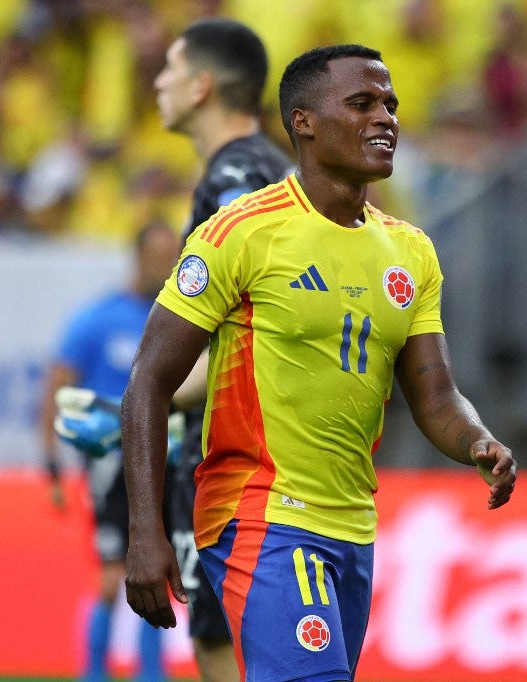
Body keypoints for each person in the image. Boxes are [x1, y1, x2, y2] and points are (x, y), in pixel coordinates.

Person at [120, 44, 518, 681]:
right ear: (302, 122)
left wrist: (478, 440)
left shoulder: (410, 252)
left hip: (354, 525)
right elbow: (148, 381)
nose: (385, 118)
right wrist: (146, 531)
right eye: (361, 104)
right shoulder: (241, 232)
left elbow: (437, 398)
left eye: (389, 104)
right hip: (261, 513)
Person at [151, 18, 295, 681]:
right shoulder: (257, 168)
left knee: (236, 643)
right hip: (234, 448)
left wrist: (148, 401)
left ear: (202, 86)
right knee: (215, 638)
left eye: (171, 69)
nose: (158, 81)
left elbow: (252, 331)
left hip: (241, 460)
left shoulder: (238, 175)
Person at [40, 219, 179, 682]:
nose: (166, 264)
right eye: (159, 255)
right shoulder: (97, 319)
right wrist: (52, 466)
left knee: (159, 568)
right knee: (110, 575)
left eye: (172, 255)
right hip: (109, 463)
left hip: (163, 458)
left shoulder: (178, 317)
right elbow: (55, 390)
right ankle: (95, 670)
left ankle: (152, 670)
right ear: (138, 256)